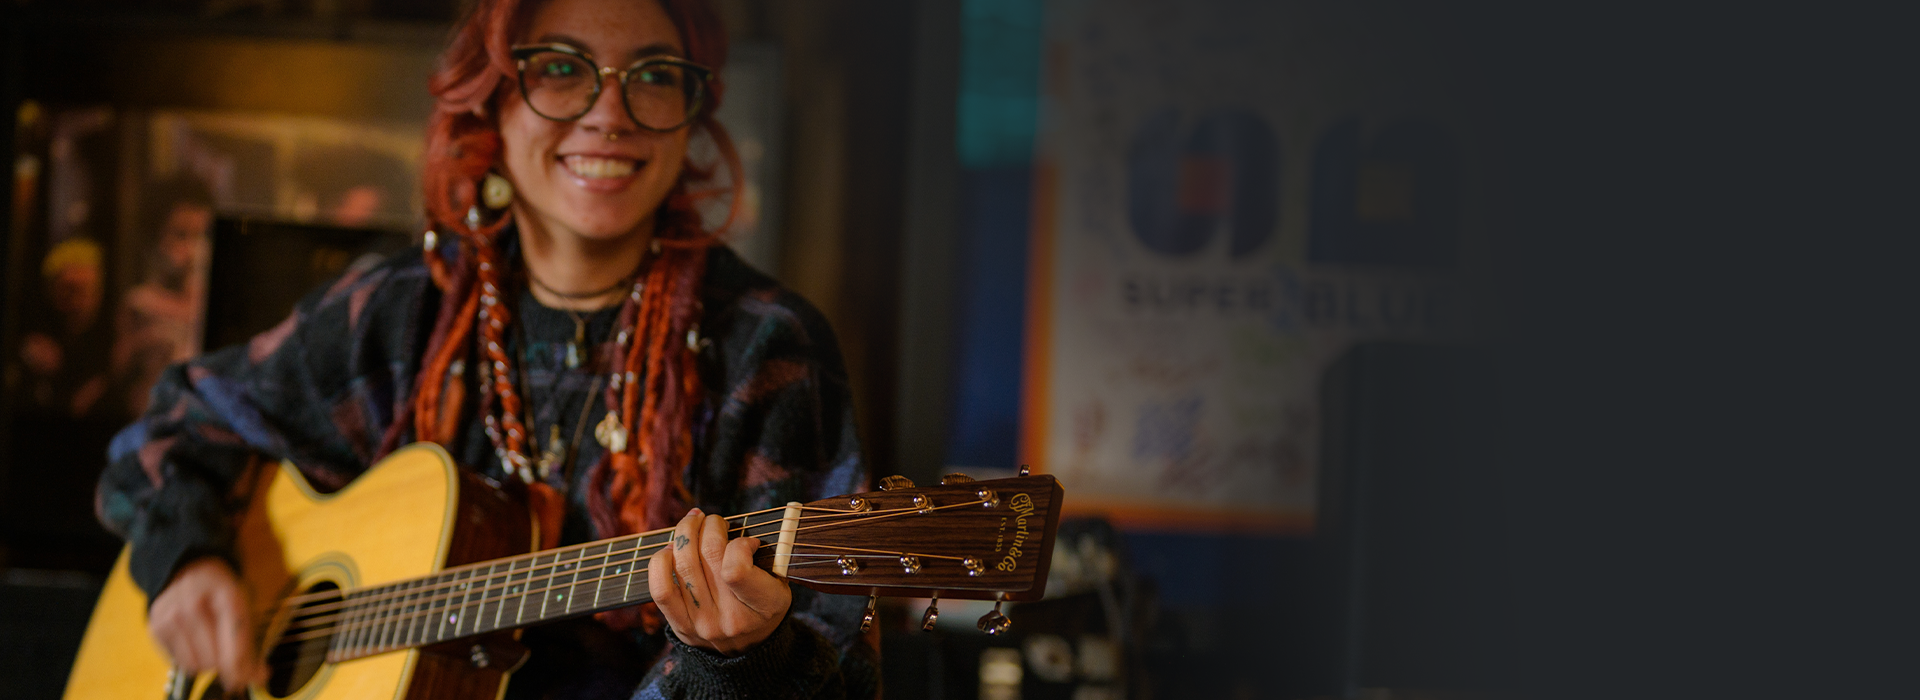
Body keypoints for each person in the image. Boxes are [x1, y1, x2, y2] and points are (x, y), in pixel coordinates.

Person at [92, 0, 876, 698]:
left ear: (692, 113)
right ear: (490, 104)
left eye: (656, 74)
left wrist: (737, 663)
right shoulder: (402, 308)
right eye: (563, 69)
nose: (611, 113)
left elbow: (834, 670)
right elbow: (170, 429)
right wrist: (185, 561)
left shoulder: (766, 347)